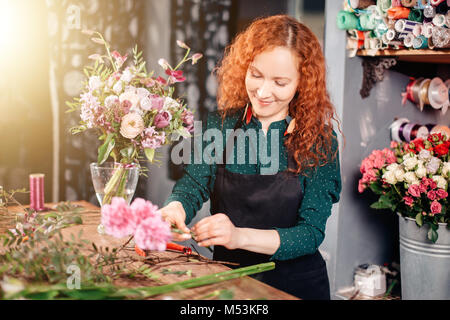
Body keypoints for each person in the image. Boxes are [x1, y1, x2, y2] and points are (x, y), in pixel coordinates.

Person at [160, 14, 342, 300]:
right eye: (256, 75)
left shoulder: (320, 141)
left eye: (280, 82)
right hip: (229, 283)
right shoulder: (221, 124)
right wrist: (176, 208)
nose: (263, 91)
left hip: (296, 287)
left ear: (302, 83)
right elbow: (195, 182)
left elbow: (310, 233)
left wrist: (238, 237)